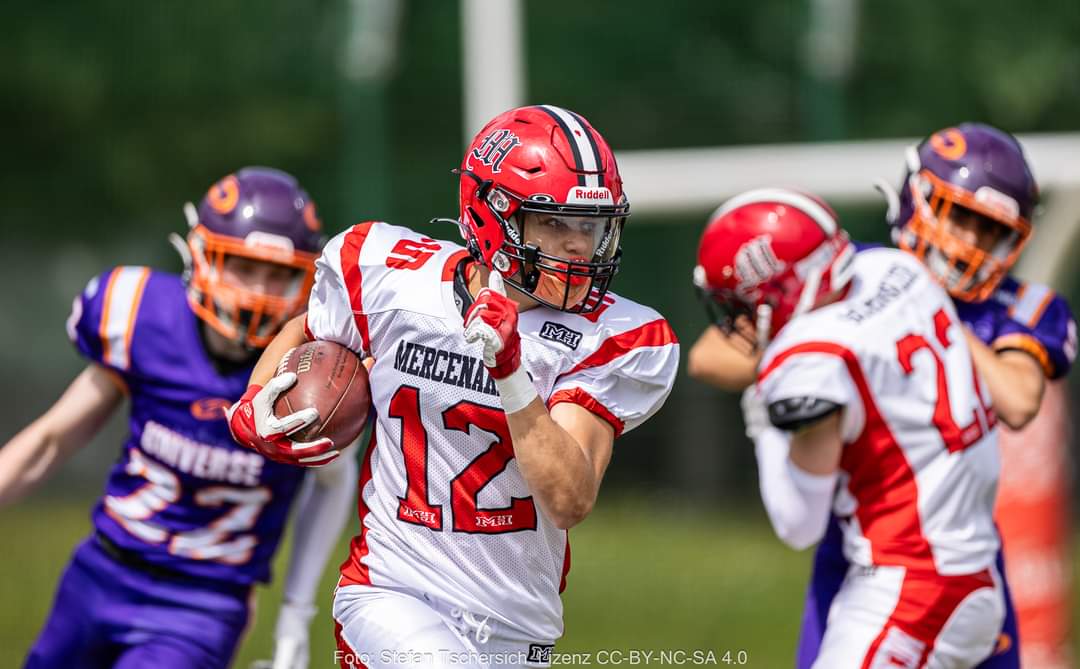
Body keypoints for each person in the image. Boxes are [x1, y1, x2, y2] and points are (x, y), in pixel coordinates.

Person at [227, 105, 680, 668]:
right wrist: (253, 397)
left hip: (518, 632)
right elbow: (312, 330)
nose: (578, 247)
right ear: (494, 217)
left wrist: (512, 372)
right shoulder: (388, 272)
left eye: (589, 227)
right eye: (554, 223)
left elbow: (569, 498)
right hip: (392, 593)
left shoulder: (616, 335)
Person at [687, 124, 1077, 668]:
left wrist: (917, 307)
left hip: (941, 544)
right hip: (858, 540)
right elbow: (711, 352)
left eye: (990, 230)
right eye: (959, 215)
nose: (970, 241)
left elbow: (1017, 398)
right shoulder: (867, 275)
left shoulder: (999, 303)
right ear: (917, 199)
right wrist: (822, 341)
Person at [0, 167, 357, 669]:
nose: (259, 290)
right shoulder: (144, 317)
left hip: (203, 604)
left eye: (278, 274)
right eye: (243, 266)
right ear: (203, 256)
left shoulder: (306, 373)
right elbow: (51, 439)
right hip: (102, 570)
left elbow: (334, 480)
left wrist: (297, 614)